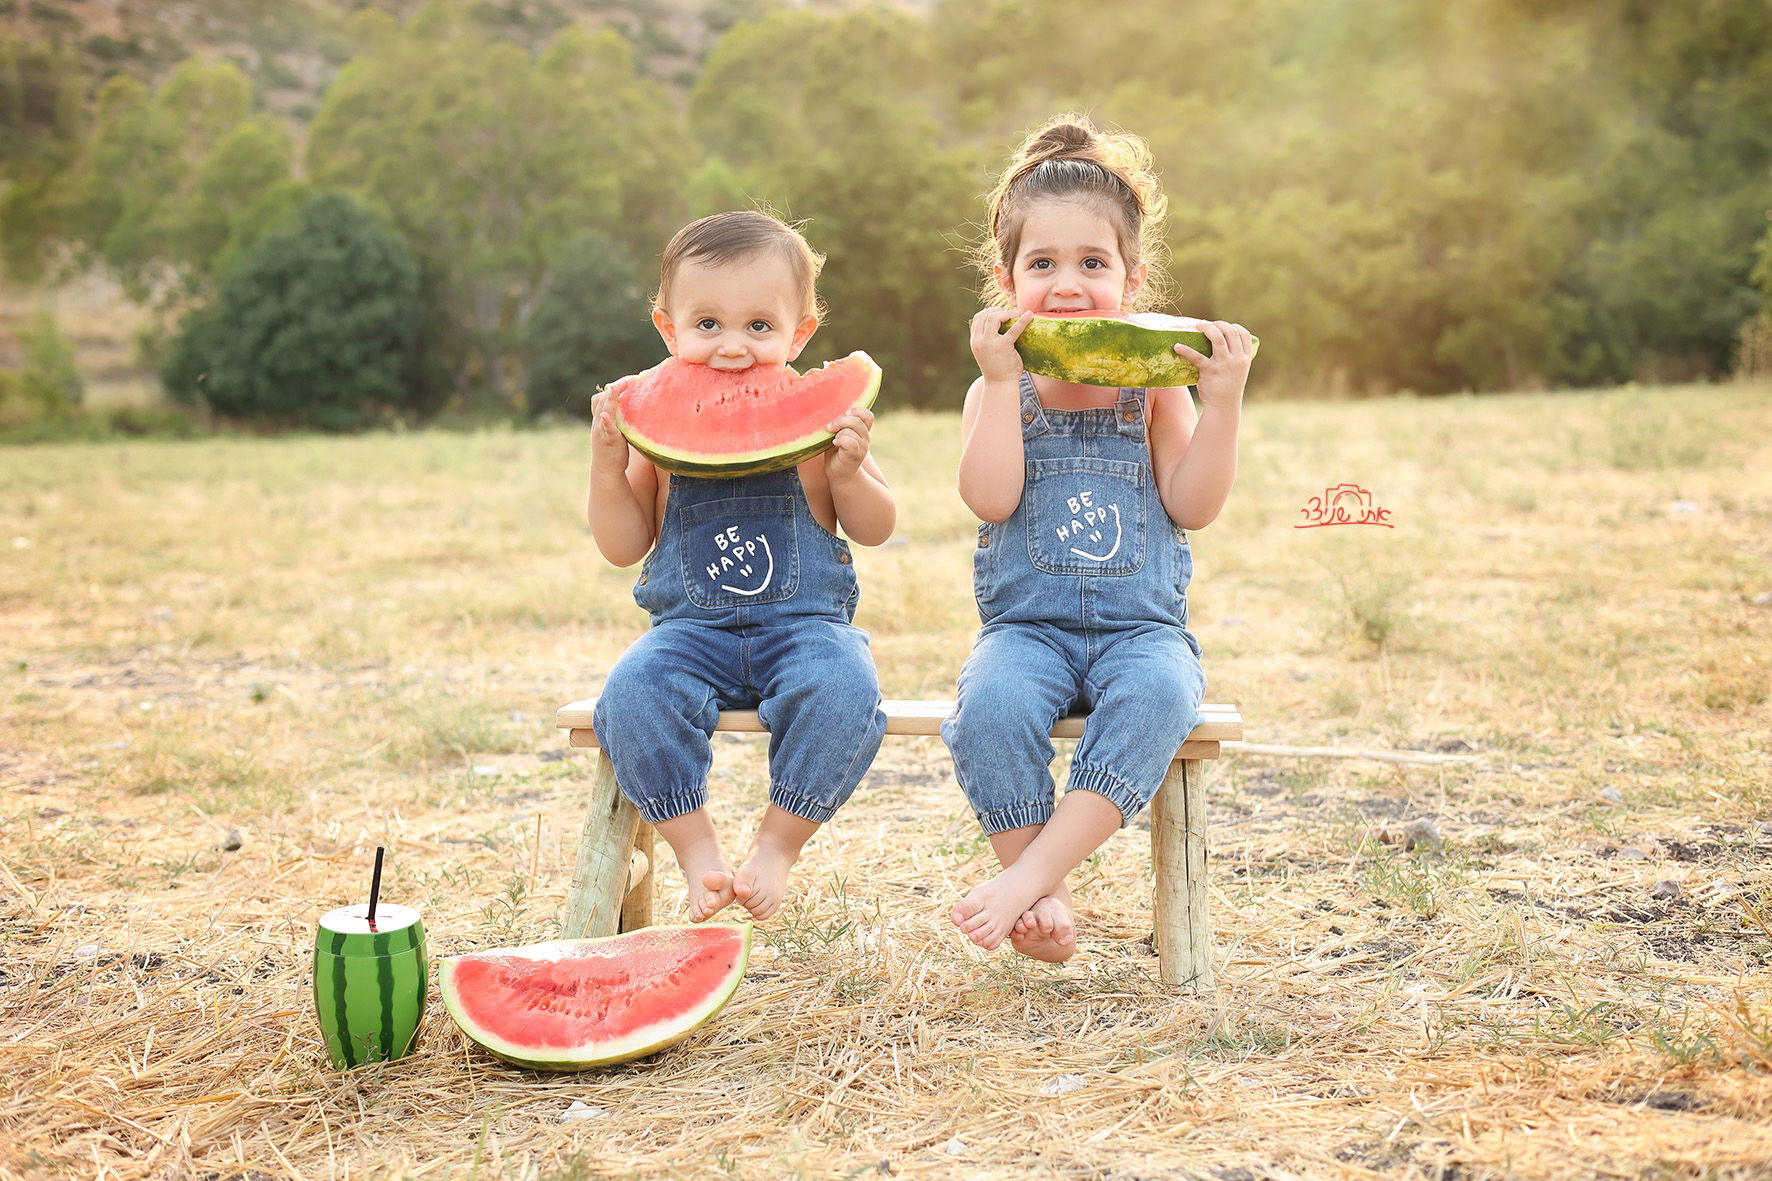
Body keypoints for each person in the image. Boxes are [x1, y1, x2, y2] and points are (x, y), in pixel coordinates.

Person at [942, 116, 1255, 961]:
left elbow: (1192, 505)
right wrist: (1002, 386)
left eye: (1093, 264)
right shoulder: (994, 391)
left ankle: (1028, 877)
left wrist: (1219, 400)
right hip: (1026, 633)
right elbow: (991, 494)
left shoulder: (1154, 393)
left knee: (1161, 695)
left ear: (1134, 278)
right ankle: (1043, 893)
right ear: (1006, 281)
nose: (1068, 284)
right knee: (988, 709)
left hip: (1140, 633)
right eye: (1041, 265)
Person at [588, 210, 895, 923]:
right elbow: (622, 541)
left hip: (806, 630)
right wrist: (608, 465)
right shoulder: (656, 433)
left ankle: (778, 845)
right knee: (631, 692)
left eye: (760, 326)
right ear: (667, 330)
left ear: (801, 333)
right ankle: (697, 850)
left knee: (848, 689)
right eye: (707, 325)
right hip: (689, 636)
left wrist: (848, 470)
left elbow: (877, 526)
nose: (732, 348)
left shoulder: (821, 423)